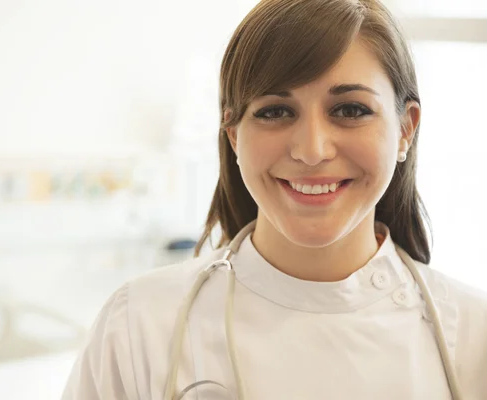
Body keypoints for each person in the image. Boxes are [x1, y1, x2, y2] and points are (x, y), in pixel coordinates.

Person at [62, 0, 487, 398]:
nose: (312, 149)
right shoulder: (140, 325)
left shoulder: (472, 336)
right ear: (232, 133)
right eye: (275, 112)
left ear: (406, 129)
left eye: (350, 110)